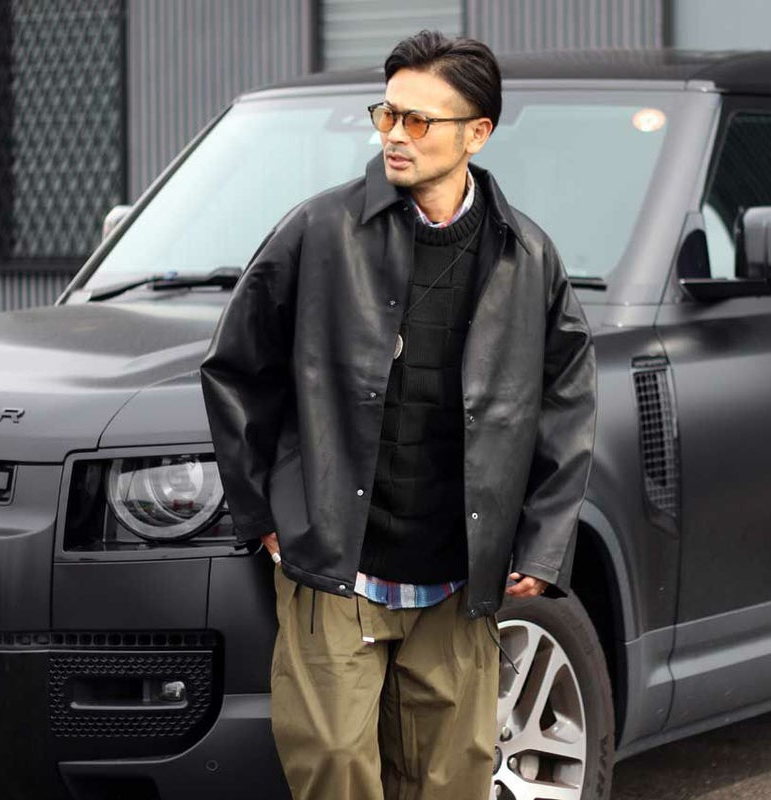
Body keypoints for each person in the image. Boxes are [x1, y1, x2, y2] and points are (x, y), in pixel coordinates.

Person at [200, 29, 596, 800]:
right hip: (335, 565)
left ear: (477, 134)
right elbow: (236, 370)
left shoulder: (526, 255)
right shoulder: (318, 232)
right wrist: (265, 515)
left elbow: (566, 400)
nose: (394, 135)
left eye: (419, 120)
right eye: (387, 114)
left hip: (457, 575)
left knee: (451, 779)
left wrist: (543, 541)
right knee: (334, 769)